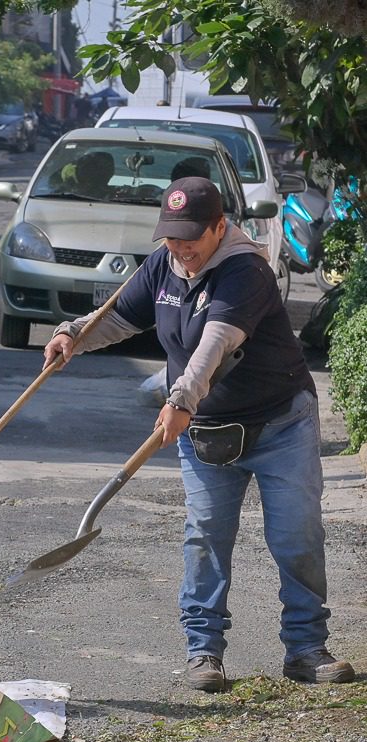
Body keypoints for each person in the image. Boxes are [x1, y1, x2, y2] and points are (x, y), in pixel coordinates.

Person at [43, 176, 355, 693]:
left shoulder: (247, 270)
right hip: (209, 431)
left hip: (280, 422)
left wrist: (180, 401)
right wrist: (73, 334)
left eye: (191, 237)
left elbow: (217, 342)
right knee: (206, 537)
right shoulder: (163, 264)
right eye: (172, 236)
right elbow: (120, 317)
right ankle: (203, 651)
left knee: (296, 535)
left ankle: (305, 648)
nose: (181, 248)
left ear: (219, 227)